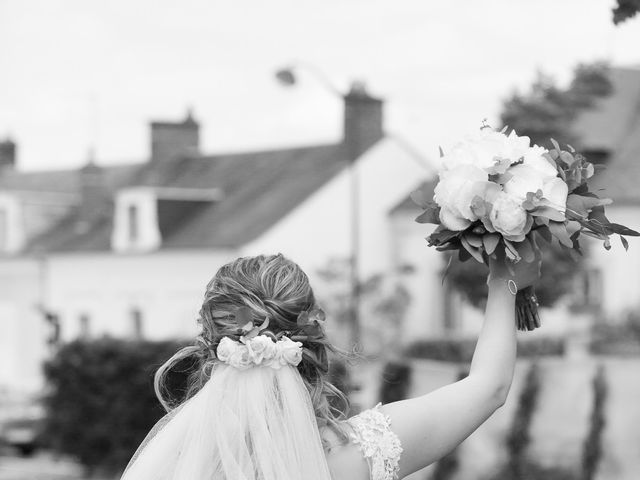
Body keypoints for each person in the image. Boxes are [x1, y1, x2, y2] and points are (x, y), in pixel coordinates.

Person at [120, 251, 540, 480]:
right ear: (312, 337)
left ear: (211, 346)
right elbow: (489, 387)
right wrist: (504, 280)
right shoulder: (358, 455)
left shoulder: (173, 463)